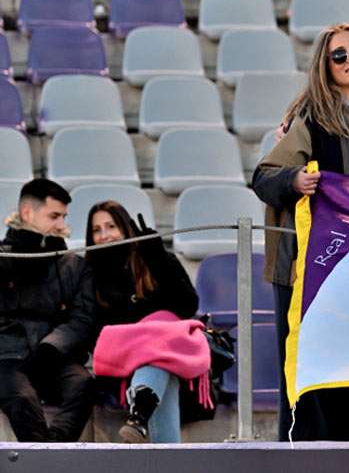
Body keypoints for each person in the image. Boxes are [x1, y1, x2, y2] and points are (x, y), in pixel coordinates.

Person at [252, 22, 349, 441]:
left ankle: (347, 457)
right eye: (339, 55)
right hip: (308, 269)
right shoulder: (311, 119)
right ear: (325, 66)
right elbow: (264, 177)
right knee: (307, 377)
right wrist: (295, 179)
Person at [85, 200, 200, 443]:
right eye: (97, 230)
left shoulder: (155, 258)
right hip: (120, 362)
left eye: (111, 226)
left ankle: (140, 415)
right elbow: (97, 328)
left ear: (126, 228)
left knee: (158, 360)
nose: (105, 235)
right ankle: (142, 418)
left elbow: (187, 306)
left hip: (162, 360)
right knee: (158, 352)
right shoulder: (89, 272)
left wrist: (157, 258)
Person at [0, 179, 96, 442]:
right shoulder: (3, 258)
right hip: (7, 355)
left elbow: (82, 317)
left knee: (83, 385)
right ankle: (45, 461)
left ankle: (51, 453)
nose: (61, 224)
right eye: (54, 216)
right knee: (22, 398)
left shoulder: (73, 265)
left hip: (55, 354)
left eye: (63, 216)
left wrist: (51, 348)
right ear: (28, 213)